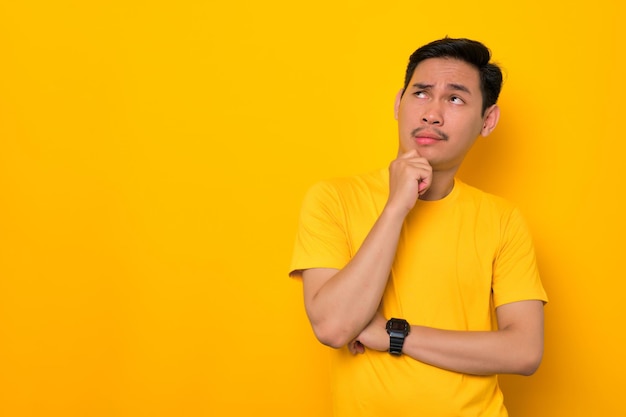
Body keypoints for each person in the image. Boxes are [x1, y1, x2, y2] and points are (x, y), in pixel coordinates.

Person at [288, 37, 548, 416]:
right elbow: (333, 327)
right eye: (422, 93)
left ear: (487, 120)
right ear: (398, 103)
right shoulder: (333, 199)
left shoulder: (503, 219)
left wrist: (394, 334)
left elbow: (524, 351)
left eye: (455, 98)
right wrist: (396, 207)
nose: (432, 114)